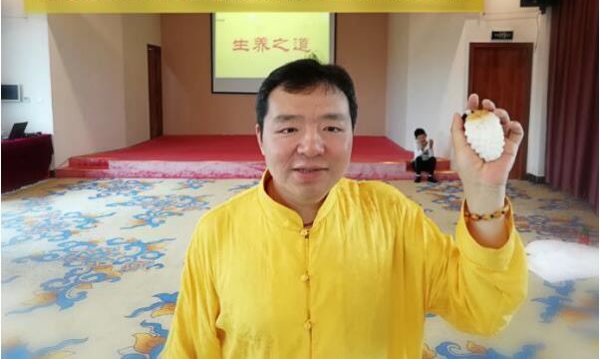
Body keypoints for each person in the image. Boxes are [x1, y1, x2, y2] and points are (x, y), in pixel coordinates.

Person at [162, 59, 527, 359]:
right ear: (260, 138)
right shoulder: (218, 231)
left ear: (353, 134)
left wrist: (485, 191)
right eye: (288, 130)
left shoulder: (393, 217)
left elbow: (484, 310)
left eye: (332, 128)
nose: (311, 146)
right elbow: (188, 349)